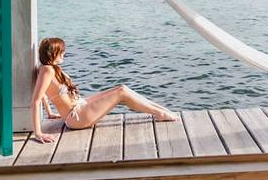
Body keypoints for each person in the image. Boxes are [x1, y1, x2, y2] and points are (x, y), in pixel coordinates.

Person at [30, 37, 179, 143]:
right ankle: (160, 113)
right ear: (53, 53)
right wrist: (38, 133)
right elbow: (36, 100)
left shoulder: (48, 69)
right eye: (61, 52)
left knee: (123, 88)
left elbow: (42, 92)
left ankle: (161, 110)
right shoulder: (47, 70)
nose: (64, 54)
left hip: (80, 107)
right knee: (121, 92)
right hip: (76, 117)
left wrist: (49, 113)